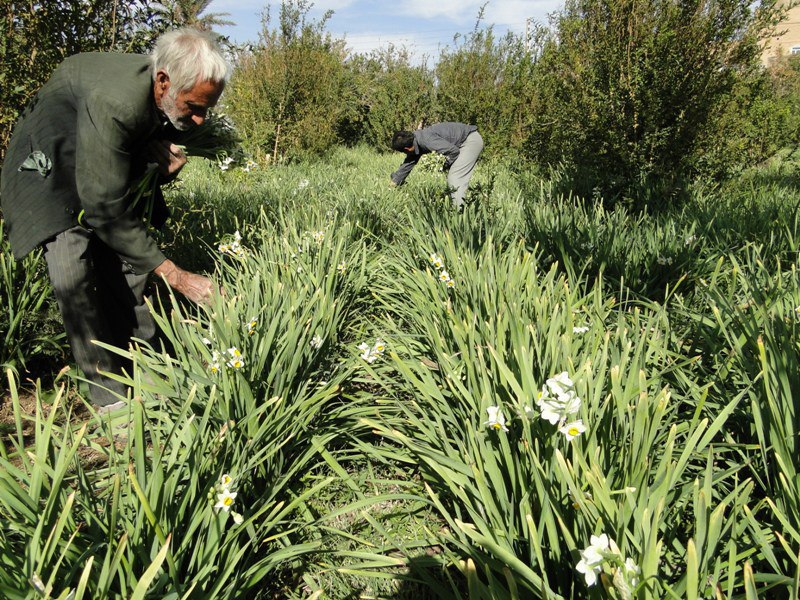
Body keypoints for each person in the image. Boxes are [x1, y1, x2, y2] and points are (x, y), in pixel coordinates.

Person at [0, 28, 230, 409]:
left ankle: (151, 370)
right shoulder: (117, 101)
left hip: (97, 154)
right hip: (49, 166)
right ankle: (110, 401)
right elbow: (104, 209)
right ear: (163, 82)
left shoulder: (162, 94)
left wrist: (160, 156)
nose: (201, 119)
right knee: (73, 269)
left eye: (208, 108)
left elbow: (129, 153)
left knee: (133, 265)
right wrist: (175, 274)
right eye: (194, 106)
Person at [389, 122, 484, 208]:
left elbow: (453, 151)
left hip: (470, 141)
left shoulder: (426, 140)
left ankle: (459, 213)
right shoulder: (415, 139)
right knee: (453, 176)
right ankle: (458, 205)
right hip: (462, 142)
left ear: (407, 149)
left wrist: (444, 165)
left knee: (455, 176)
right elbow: (410, 161)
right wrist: (395, 181)